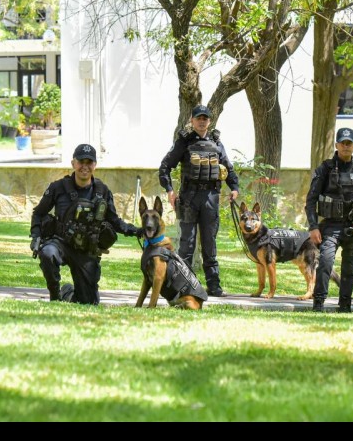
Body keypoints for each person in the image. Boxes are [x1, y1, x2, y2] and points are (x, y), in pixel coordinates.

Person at [30, 143, 142, 304]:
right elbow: (38, 213)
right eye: (81, 161)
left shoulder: (102, 191)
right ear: (73, 163)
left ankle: (68, 293)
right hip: (60, 242)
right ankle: (55, 296)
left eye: (89, 162)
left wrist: (135, 230)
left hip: (86, 249)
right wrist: (36, 236)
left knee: (88, 302)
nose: (85, 166)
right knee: (48, 253)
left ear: (95, 165)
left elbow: (114, 221)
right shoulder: (58, 187)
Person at [158, 104, 239, 297]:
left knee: (210, 243)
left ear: (209, 121)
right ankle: (185, 286)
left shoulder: (216, 142)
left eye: (205, 118)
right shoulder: (184, 141)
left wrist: (234, 187)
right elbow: (165, 166)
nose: (202, 121)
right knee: (187, 244)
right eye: (198, 118)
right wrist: (169, 190)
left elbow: (228, 167)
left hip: (211, 197)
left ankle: (214, 286)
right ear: (192, 120)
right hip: (189, 197)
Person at [305, 127, 353, 312]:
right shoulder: (325, 169)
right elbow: (311, 199)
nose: (346, 146)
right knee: (325, 263)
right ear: (337, 145)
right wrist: (313, 227)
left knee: (349, 269)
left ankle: (345, 305)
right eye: (343, 143)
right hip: (330, 226)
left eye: (349, 143)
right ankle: (318, 303)